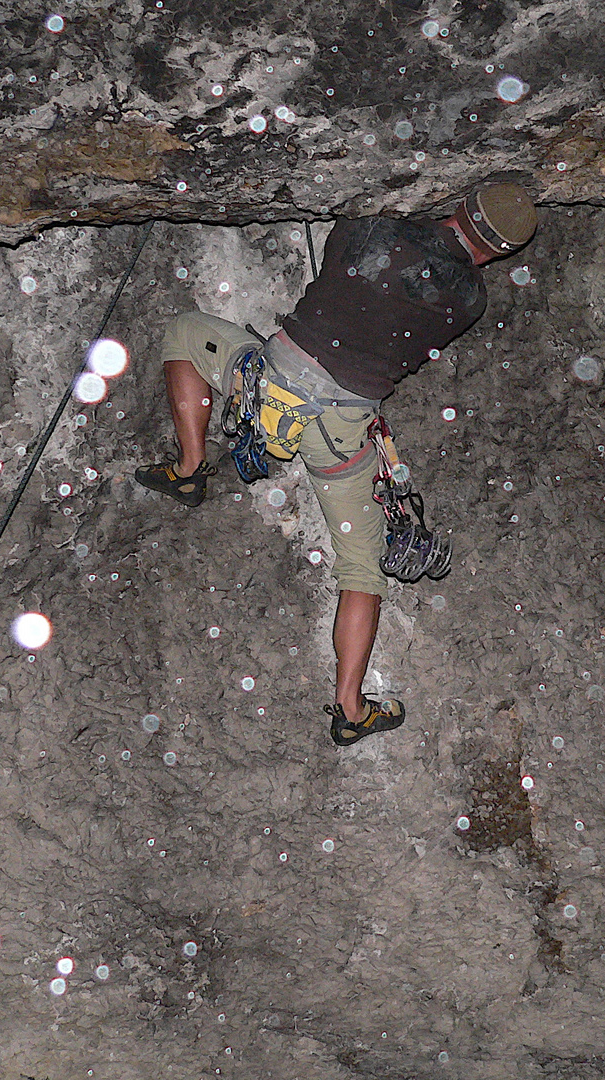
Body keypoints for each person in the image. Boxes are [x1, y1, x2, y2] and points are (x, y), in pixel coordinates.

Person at [135, 183, 538, 747]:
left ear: (458, 205)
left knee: (183, 332)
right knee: (362, 568)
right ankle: (350, 707)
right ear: (498, 254)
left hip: (268, 382)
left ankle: (189, 468)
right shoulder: (469, 303)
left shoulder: (379, 230)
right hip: (340, 431)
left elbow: (349, 231)